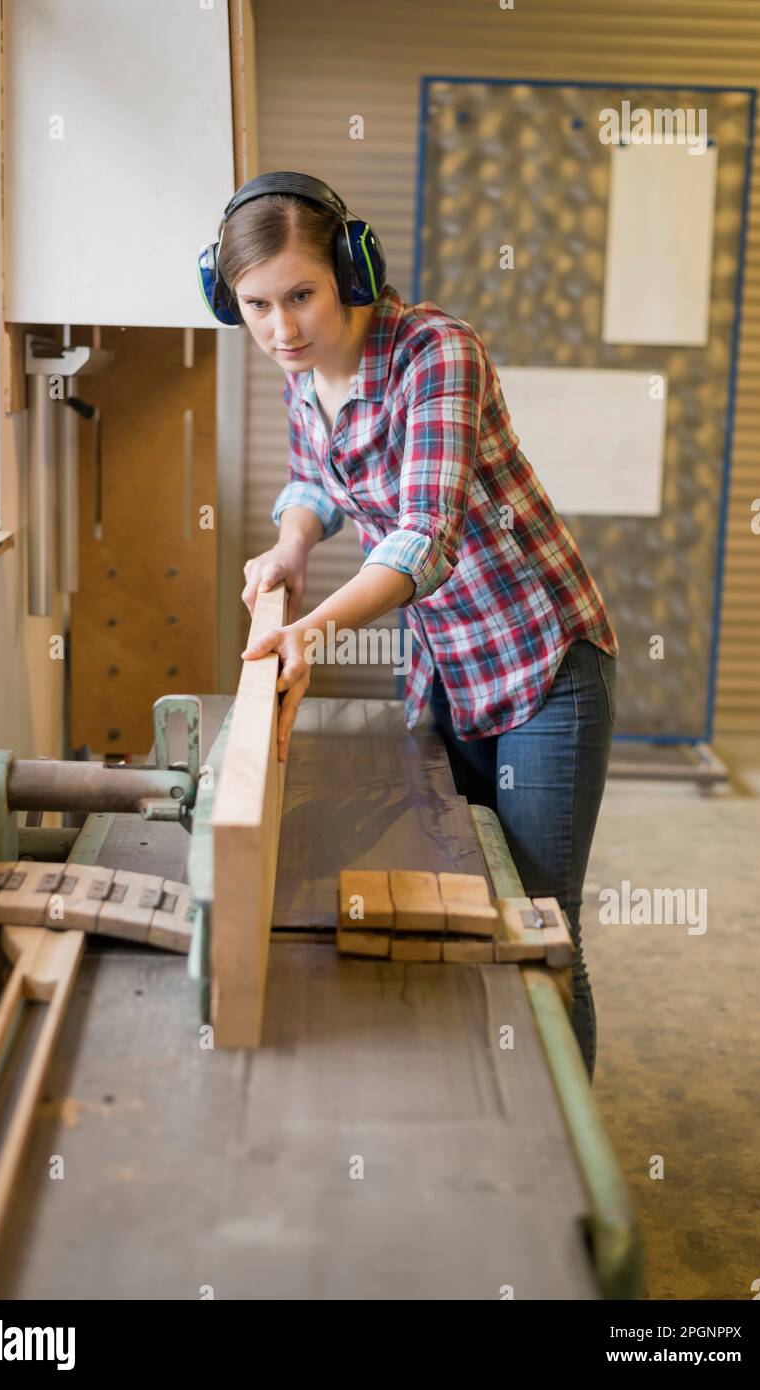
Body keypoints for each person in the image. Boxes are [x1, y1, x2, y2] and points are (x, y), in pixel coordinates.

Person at [199, 172, 619, 1080]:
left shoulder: (436, 355)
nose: (282, 330)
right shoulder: (304, 375)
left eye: (302, 295)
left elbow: (425, 535)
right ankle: (497, 1093)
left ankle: (573, 1179)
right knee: (466, 888)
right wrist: (289, 549)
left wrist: (310, 630)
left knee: (540, 924)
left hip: (543, 664)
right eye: (258, 305)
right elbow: (316, 482)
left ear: (352, 270)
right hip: (448, 666)